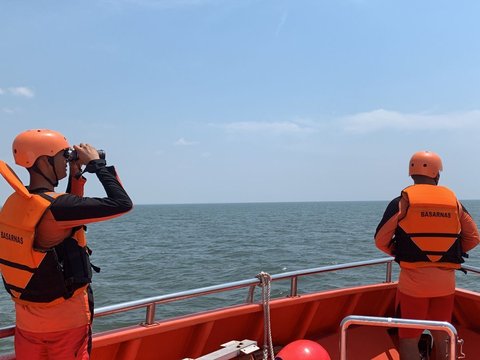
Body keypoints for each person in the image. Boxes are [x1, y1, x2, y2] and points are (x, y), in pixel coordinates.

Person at [0, 129, 133, 359]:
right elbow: (122, 203)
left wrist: (75, 175)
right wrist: (97, 164)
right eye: (63, 155)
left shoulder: (15, 204)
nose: (67, 160)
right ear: (44, 160)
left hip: (29, 323)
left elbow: (62, 214)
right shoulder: (57, 208)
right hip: (66, 324)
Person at [375, 150, 480, 359]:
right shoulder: (453, 201)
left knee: (409, 339)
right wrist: (450, 253)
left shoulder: (402, 200)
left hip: (413, 284)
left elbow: (380, 240)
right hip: (445, 283)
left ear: (411, 174)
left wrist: (399, 252)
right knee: (442, 336)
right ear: (437, 174)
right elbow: (474, 237)